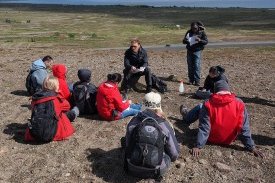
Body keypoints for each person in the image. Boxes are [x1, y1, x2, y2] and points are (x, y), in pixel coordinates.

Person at [180, 80, 264, 158]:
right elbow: (244, 128)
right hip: (229, 139)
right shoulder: (240, 103)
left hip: (211, 138)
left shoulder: (208, 103)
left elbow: (204, 127)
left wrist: (198, 146)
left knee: (200, 106)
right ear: (228, 90)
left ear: (215, 90)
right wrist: (251, 147)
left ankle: (186, 116)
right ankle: (186, 116)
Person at [123, 92, 180, 179]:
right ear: (158, 107)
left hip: (132, 166)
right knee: (167, 157)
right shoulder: (163, 124)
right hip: (155, 170)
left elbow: (128, 145)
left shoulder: (133, 121)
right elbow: (174, 154)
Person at [25, 76, 79, 142]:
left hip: (37, 129)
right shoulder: (57, 98)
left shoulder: (36, 97)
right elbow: (67, 106)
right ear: (55, 86)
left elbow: (31, 107)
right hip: (53, 130)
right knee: (61, 114)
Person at [183, 21, 208, 86]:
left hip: (197, 51)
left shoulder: (202, 32)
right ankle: (191, 80)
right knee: (190, 66)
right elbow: (183, 41)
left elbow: (206, 41)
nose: (194, 30)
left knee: (197, 66)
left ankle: (197, 81)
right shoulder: (189, 32)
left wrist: (200, 40)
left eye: (195, 28)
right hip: (189, 50)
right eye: (192, 28)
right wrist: (186, 40)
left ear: (198, 27)